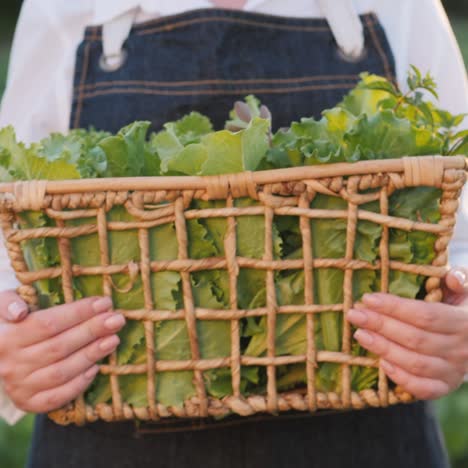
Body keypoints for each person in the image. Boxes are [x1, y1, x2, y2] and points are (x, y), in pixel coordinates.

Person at [0, 0, 467, 467]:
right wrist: (16, 352)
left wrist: (458, 326)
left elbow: (460, 232)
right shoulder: (64, 8)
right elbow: (9, 245)